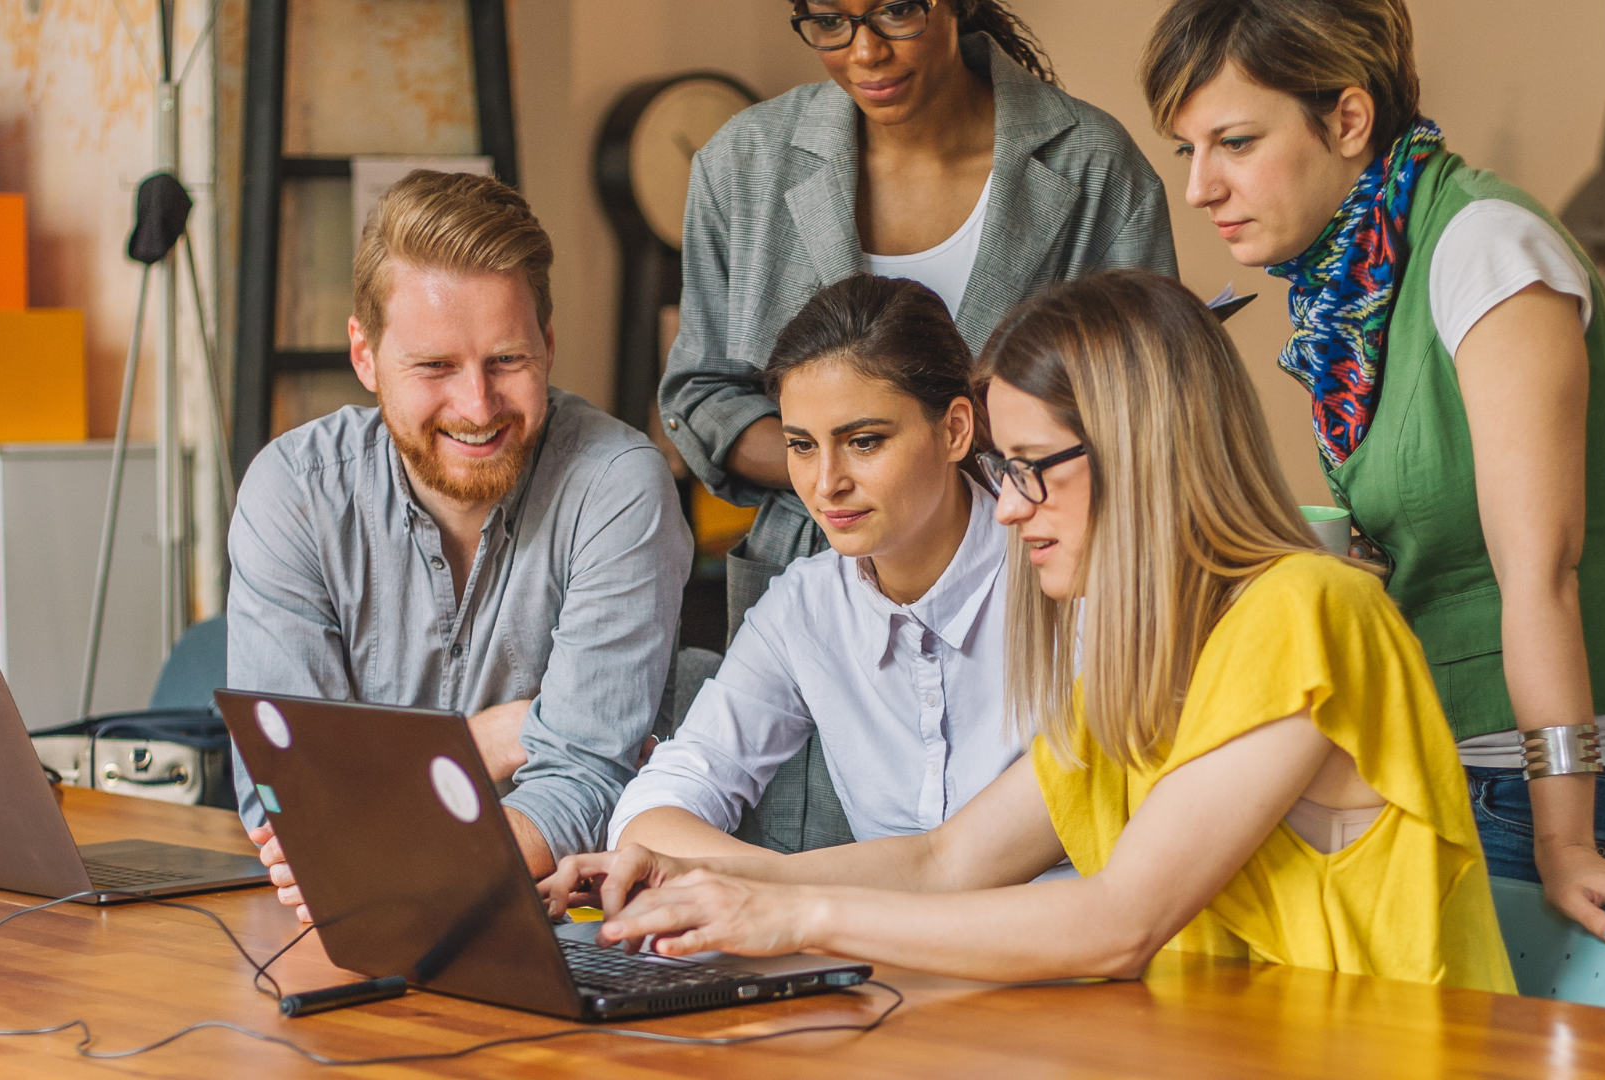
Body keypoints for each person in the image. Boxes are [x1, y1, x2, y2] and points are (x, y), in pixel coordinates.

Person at [540, 272, 1515, 994]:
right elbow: (948, 861)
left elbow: (1118, 922)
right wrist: (699, 876)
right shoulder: (1152, 652)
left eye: (1032, 467)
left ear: (1142, 450)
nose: (1007, 507)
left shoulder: (1307, 610)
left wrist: (791, 911)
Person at [1139, 0, 1605, 937]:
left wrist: (1565, 841)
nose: (1200, 186)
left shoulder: (1487, 251)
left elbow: (1540, 574)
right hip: (1456, 755)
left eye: (1234, 142)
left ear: (1348, 120)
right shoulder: (1355, 288)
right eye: (1187, 149)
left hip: (1566, 788)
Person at [658, 0, 1178, 851]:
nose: (864, 50)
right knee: (809, 851)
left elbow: (1148, 403)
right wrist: (849, 463)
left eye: (896, 10)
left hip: (1026, 574)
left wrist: (949, 473)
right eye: (828, 21)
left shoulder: (1092, 168)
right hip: (820, 575)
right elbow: (700, 393)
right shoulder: (743, 163)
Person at [228, 171, 692, 919]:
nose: (478, 407)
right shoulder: (295, 491)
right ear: (364, 355)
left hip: (566, 924)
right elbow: (286, 797)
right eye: (435, 366)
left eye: (507, 360)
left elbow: (585, 780)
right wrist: (487, 739)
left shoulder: (618, 487)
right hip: (339, 926)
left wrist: (389, 854)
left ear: (547, 344)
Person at [614, 275, 1055, 862]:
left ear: (955, 430)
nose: (826, 484)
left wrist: (784, 894)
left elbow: (953, 869)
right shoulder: (804, 607)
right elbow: (659, 804)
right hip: (860, 920)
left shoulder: (1062, 576)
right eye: (801, 445)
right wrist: (780, 892)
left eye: (864, 441)